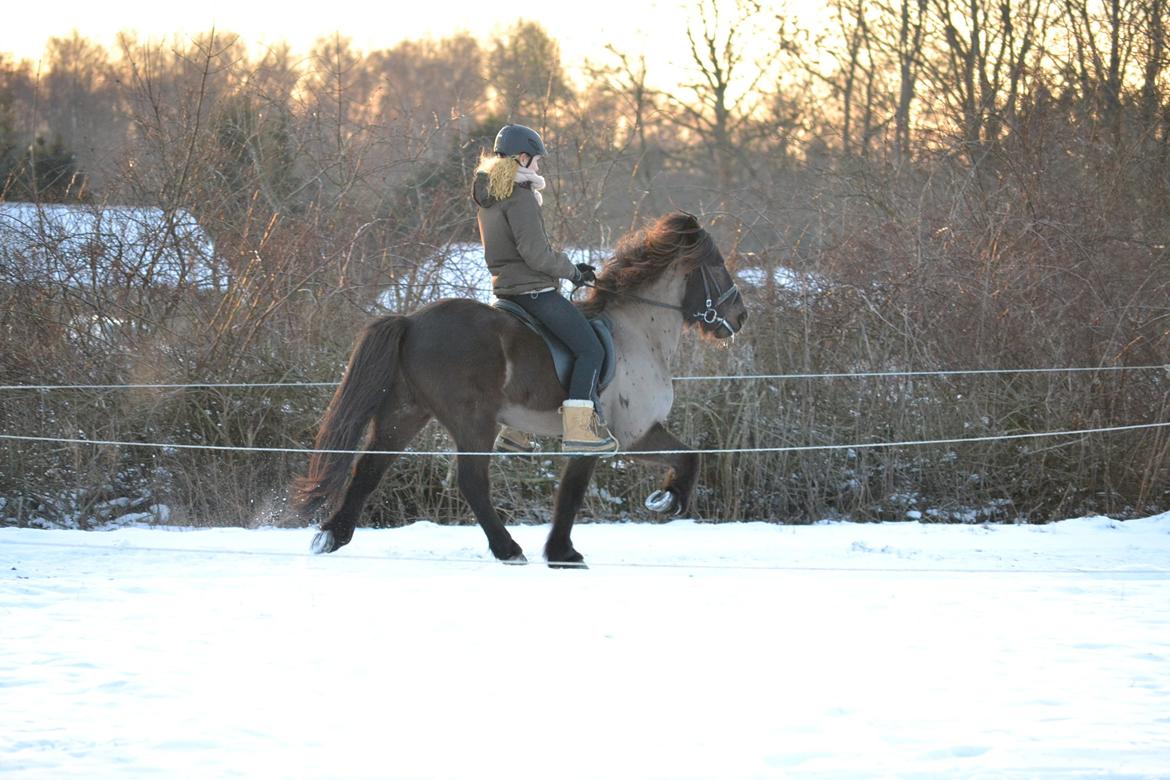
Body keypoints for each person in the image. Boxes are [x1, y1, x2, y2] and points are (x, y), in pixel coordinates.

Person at [472, 123, 619, 455]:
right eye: (536, 161)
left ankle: (518, 432)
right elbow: (536, 254)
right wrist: (572, 272)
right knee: (590, 349)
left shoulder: (489, 196)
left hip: (505, 293)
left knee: (537, 354)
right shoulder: (519, 195)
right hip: (533, 291)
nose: (537, 167)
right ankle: (581, 429)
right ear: (522, 158)